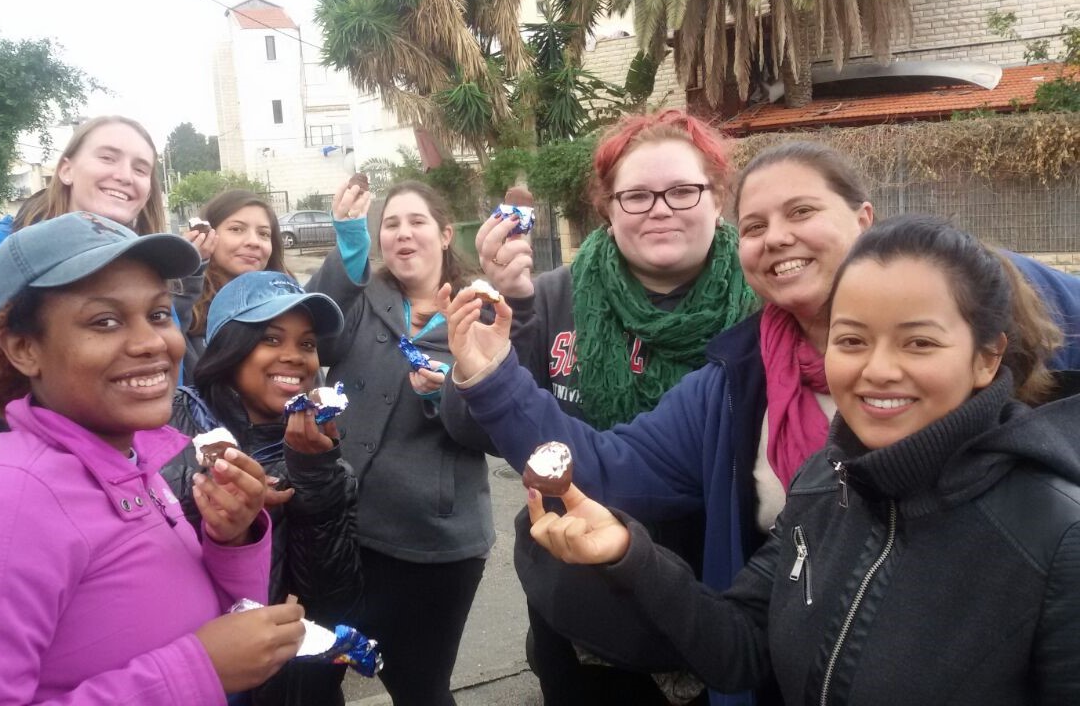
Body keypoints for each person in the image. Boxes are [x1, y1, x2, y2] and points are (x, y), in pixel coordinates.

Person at [441, 141, 1080, 705]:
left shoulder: (974, 298)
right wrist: (497, 378)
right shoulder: (795, 445)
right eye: (849, 343)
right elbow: (739, 631)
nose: (879, 373)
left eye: (801, 212)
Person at [473, 109, 756, 705]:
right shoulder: (553, 295)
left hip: (717, 610)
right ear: (608, 206)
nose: (660, 208)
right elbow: (468, 426)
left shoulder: (763, 310)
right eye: (636, 195)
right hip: (580, 611)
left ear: (718, 198)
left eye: (682, 190)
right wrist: (513, 310)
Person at [0, 211, 304, 704]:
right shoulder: (2, 501)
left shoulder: (136, 459)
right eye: (104, 321)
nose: (152, 343)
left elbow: (186, 613)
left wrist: (231, 539)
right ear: (23, 348)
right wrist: (198, 670)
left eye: (159, 314)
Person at [307, 180, 494, 706]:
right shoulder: (364, 296)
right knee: (316, 673)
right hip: (345, 530)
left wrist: (447, 395)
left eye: (416, 222)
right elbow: (318, 340)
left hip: (433, 543)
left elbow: (500, 433)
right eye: (391, 224)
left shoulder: (481, 313)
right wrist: (346, 249)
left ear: (445, 233)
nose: (403, 234)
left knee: (417, 685)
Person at [163, 269, 360, 706]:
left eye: (307, 344)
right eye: (271, 339)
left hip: (287, 688)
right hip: (186, 677)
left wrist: (315, 476)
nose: (296, 357)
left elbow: (330, 601)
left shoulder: (324, 459)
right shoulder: (168, 424)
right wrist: (222, 509)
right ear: (229, 348)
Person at [0, 116, 215, 456]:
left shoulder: (149, 281)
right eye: (108, 157)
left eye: (141, 169)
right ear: (66, 169)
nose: (125, 175)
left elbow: (159, 395)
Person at [181, 190, 289, 381]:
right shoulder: (183, 309)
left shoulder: (289, 304)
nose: (254, 242)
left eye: (264, 234)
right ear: (207, 234)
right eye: (237, 229)